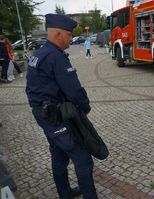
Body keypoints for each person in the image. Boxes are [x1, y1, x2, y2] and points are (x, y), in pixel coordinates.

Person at [25, 14, 98, 199]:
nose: (71, 39)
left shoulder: (39, 54)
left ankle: (65, 193)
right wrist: (85, 108)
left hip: (45, 114)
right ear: (58, 34)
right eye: (69, 35)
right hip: (55, 116)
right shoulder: (55, 56)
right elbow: (74, 90)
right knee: (82, 158)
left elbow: (30, 88)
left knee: (59, 155)